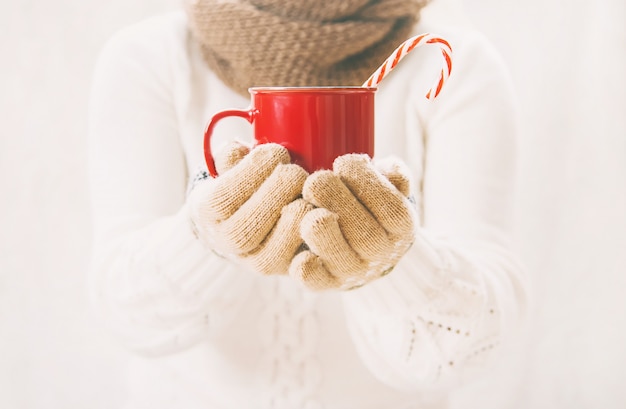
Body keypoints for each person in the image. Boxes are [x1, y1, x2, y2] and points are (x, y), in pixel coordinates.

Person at [87, 0, 528, 408]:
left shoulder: (455, 64)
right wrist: (206, 237)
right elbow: (126, 316)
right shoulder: (148, 56)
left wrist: (394, 263)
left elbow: (474, 348)